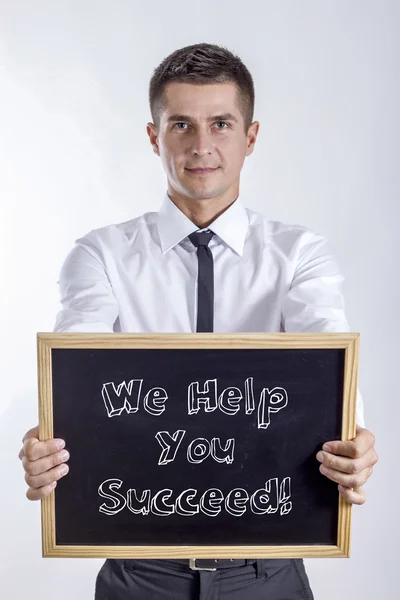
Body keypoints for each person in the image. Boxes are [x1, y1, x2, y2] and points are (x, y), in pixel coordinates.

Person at [18, 43, 378, 600]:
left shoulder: (299, 255)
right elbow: (74, 375)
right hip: (140, 574)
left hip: (268, 573)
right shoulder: (101, 256)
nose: (201, 145)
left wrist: (355, 440)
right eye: (181, 124)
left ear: (251, 137)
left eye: (221, 124)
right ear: (153, 136)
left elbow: (328, 358)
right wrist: (49, 441)